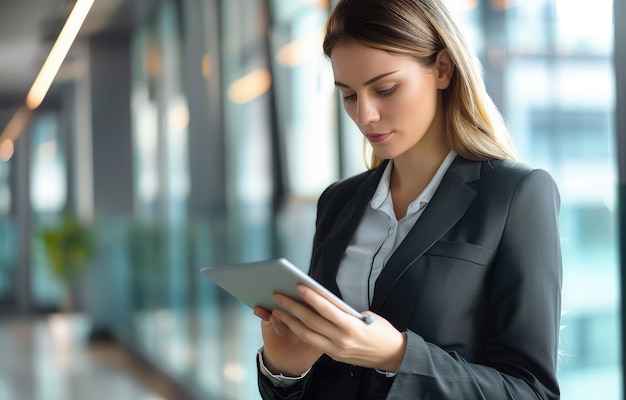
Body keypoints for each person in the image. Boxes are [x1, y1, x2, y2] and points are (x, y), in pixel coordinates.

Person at [253, 0, 562, 398]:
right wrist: (284, 369)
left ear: (443, 69)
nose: (365, 115)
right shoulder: (338, 202)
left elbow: (532, 392)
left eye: (385, 89)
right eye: (348, 95)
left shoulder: (516, 195)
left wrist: (398, 356)